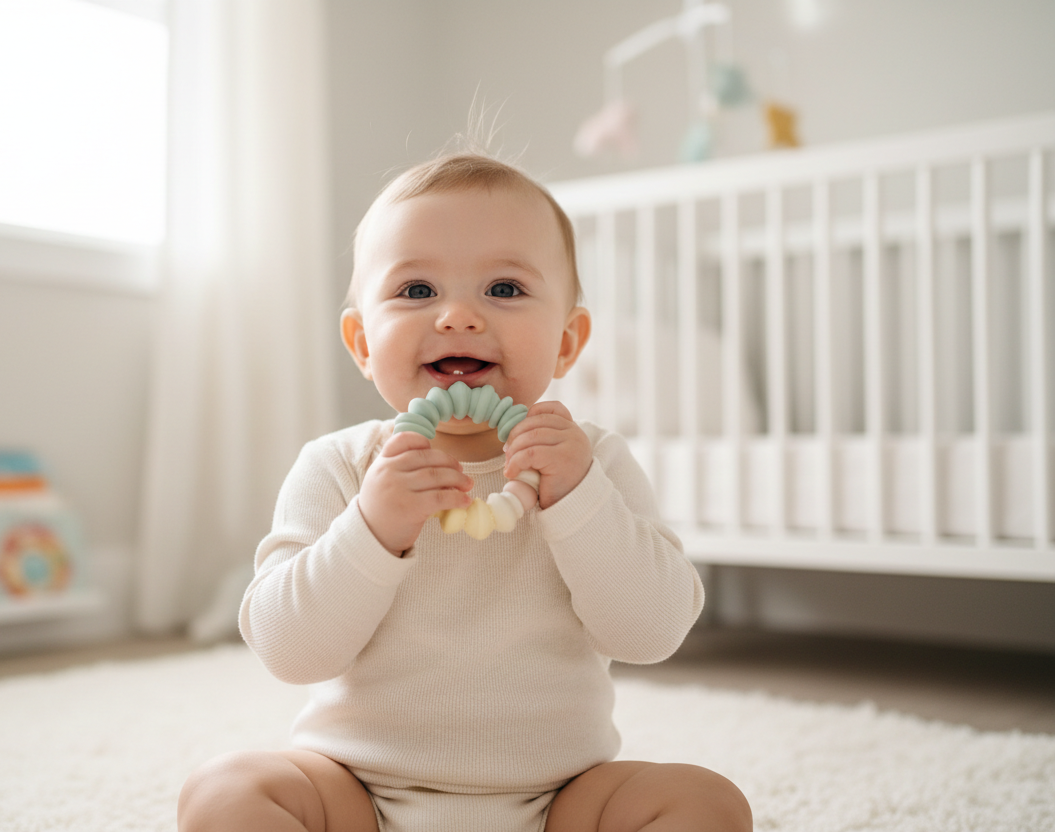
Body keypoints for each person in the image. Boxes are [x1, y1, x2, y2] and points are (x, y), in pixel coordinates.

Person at [178, 149, 752, 832]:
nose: (456, 316)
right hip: (356, 794)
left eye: (504, 289)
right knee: (224, 792)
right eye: (417, 291)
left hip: (561, 800)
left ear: (568, 342)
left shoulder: (590, 461)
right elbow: (287, 650)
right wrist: (370, 528)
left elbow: (654, 632)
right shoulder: (339, 465)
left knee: (708, 804)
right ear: (362, 343)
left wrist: (580, 501)